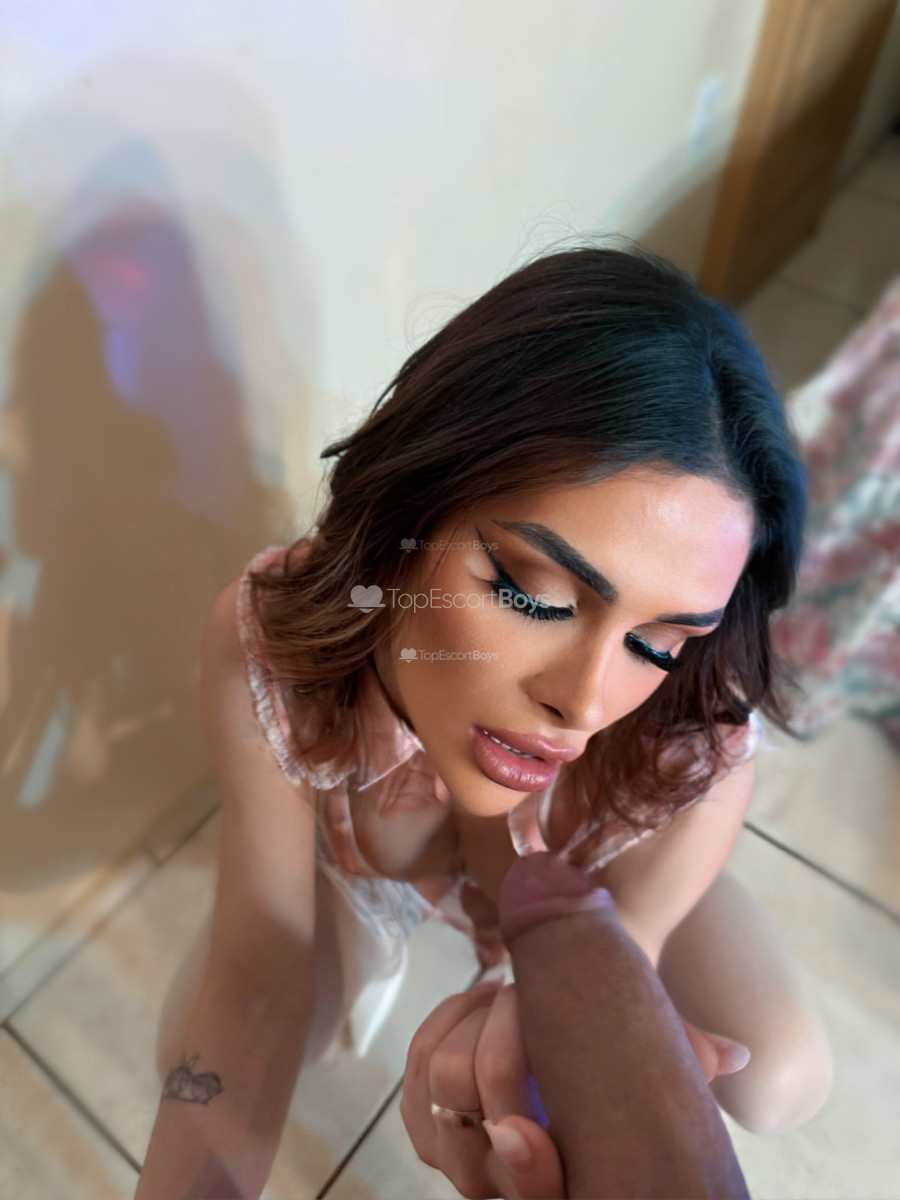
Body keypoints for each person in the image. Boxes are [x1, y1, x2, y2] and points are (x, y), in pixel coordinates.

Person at [138, 240, 834, 1199]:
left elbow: (602, 994)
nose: (582, 703)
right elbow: (257, 970)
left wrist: (577, 1075)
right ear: (410, 505)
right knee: (191, 1050)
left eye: (659, 642)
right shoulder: (275, 642)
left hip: (611, 854)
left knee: (782, 1074)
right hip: (366, 870)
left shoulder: (686, 746)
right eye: (531, 592)